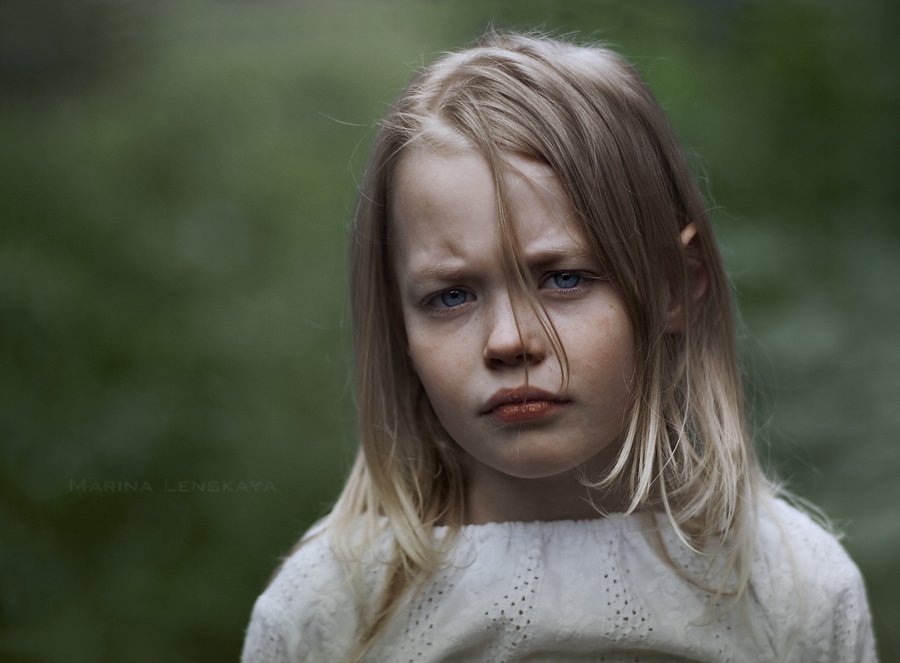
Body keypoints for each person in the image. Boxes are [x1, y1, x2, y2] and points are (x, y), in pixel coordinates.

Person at [241, 31, 877, 662]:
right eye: (451, 296)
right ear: (398, 326)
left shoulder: (794, 591)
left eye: (564, 279)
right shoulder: (331, 609)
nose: (509, 341)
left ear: (675, 288)